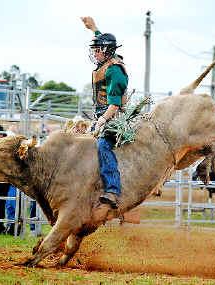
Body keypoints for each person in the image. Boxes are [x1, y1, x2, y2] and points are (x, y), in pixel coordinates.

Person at [82, 16, 129, 209]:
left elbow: (115, 105)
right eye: (94, 49)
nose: (95, 53)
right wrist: (94, 29)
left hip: (114, 118)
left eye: (97, 50)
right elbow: (103, 39)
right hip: (101, 115)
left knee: (102, 145)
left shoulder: (114, 71)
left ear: (107, 51)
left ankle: (112, 190)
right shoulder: (107, 62)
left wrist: (101, 120)